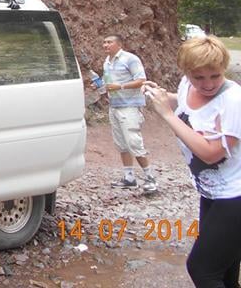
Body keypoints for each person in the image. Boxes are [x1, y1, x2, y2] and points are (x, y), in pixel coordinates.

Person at [145, 36, 241, 288]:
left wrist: (166, 114)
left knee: (202, 270)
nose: (208, 84)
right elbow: (188, 103)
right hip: (212, 192)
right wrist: (164, 97)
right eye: (199, 77)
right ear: (187, 72)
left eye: (215, 76)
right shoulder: (187, 86)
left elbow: (211, 154)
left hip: (236, 195)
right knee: (225, 272)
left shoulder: (233, 101)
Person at [102, 34, 157, 193]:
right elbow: (109, 82)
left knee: (134, 142)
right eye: (104, 42)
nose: (106, 45)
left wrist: (119, 86)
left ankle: (150, 177)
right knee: (121, 143)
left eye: (109, 42)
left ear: (119, 44)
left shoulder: (130, 59)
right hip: (114, 106)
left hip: (130, 106)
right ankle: (129, 177)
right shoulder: (107, 62)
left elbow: (141, 80)